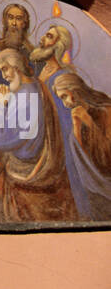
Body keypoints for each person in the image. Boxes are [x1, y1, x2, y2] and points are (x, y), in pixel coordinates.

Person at [0, 50, 76, 223]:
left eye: (5, 69)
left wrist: (0, 105)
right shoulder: (34, 86)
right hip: (29, 161)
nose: (4, 76)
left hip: (28, 169)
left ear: (17, 67)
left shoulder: (25, 98)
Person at [52, 70, 111, 221]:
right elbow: (83, 158)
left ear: (75, 89)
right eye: (61, 99)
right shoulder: (76, 116)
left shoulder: (106, 111)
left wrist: (88, 121)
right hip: (92, 188)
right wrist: (77, 127)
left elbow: (106, 155)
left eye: (65, 96)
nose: (65, 104)